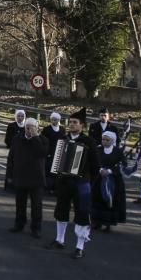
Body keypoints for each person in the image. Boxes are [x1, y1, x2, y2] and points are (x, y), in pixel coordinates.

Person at [47, 108, 96, 259]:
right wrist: (56, 174)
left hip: (81, 183)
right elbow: (57, 160)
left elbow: (95, 165)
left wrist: (89, 182)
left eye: (75, 122)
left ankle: (79, 247)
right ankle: (59, 240)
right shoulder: (63, 139)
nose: (71, 125)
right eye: (70, 122)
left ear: (82, 125)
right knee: (61, 210)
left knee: (81, 214)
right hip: (64, 182)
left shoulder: (88, 142)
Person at [7, 118, 47, 237]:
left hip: (36, 178)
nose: (29, 129)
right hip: (21, 176)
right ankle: (19, 224)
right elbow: (11, 157)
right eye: (27, 127)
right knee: (20, 203)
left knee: (36, 205)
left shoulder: (43, 140)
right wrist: (9, 174)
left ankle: (36, 228)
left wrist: (35, 137)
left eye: (32, 127)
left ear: (37, 128)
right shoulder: (17, 139)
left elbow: (42, 153)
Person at [91, 131, 127, 232]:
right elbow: (93, 162)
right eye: (103, 139)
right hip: (99, 178)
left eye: (107, 140)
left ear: (112, 141)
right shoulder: (98, 149)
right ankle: (96, 221)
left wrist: (110, 171)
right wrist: (100, 170)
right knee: (97, 199)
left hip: (113, 179)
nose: (105, 142)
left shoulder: (118, 151)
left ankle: (108, 223)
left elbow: (123, 164)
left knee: (110, 200)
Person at [41, 112, 67, 194]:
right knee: (48, 170)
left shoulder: (62, 129)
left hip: (59, 152)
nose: (54, 121)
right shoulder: (47, 129)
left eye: (55, 120)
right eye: (52, 119)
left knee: (57, 171)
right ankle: (47, 187)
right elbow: (43, 141)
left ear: (59, 120)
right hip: (49, 154)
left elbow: (64, 140)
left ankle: (55, 188)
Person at [4, 109, 27, 191]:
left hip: (24, 152)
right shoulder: (11, 126)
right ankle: (9, 185)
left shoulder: (26, 127)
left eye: (22, 116)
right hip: (14, 151)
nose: (20, 118)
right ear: (16, 116)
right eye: (19, 116)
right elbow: (7, 139)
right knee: (11, 167)